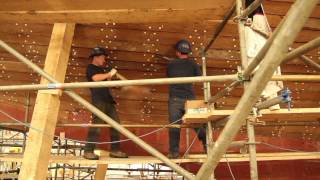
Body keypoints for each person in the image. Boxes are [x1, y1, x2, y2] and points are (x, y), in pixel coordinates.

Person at [83, 47, 128, 160]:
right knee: (97, 126)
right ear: (96, 57)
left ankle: (115, 150)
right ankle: (88, 151)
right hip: (98, 100)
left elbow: (106, 83)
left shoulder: (102, 70)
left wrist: (118, 83)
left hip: (108, 100)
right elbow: (95, 79)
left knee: (116, 125)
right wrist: (109, 74)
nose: (104, 60)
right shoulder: (91, 68)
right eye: (103, 57)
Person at [166, 39, 207, 159]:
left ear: (178, 52)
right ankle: (207, 145)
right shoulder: (193, 64)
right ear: (188, 53)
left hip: (175, 99)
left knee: (174, 126)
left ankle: (174, 153)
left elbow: (168, 75)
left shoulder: (171, 64)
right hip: (190, 99)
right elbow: (199, 78)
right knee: (197, 123)